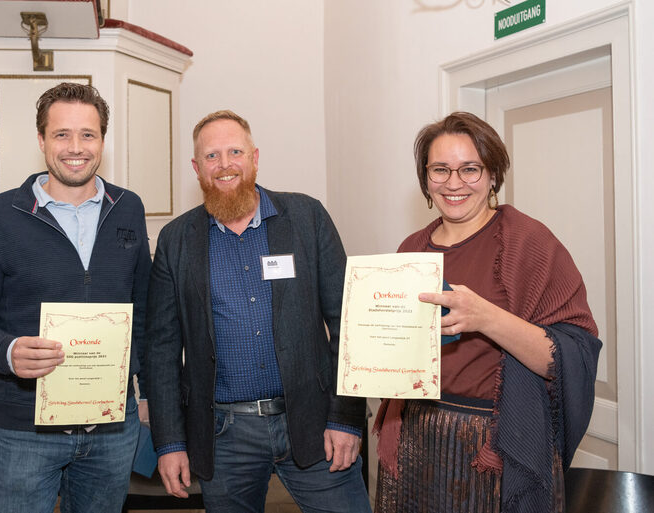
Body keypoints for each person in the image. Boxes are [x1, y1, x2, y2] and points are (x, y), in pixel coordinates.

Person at [373, 112, 602, 513]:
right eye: (440, 169)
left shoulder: (529, 242)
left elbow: (571, 355)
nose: (454, 182)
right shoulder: (412, 248)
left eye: (470, 169)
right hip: (414, 438)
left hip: (495, 448)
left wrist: (485, 317)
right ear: (426, 178)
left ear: (493, 175)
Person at [145, 110, 372, 512]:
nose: (225, 164)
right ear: (197, 168)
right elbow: (161, 348)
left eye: (235, 151)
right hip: (223, 435)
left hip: (314, 422)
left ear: (254, 156)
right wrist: (170, 443)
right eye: (212, 156)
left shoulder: (307, 217)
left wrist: (345, 418)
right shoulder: (176, 240)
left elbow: (349, 323)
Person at [0, 82, 152, 513]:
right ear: (41, 140)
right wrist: (6, 350)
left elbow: (146, 311)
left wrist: (148, 394)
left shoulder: (129, 208)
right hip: (22, 431)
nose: (75, 147)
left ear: (102, 140)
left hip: (111, 430)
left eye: (88, 134)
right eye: (62, 134)